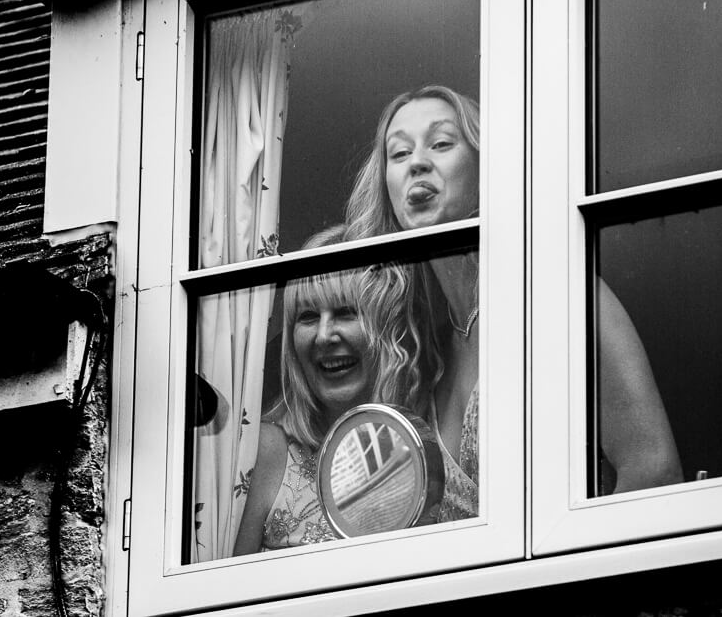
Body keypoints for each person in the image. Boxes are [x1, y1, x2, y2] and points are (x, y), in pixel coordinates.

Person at [344, 86, 682, 515]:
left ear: (487, 165)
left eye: (442, 143)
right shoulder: (417, 353)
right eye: (399, 154)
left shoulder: (550, 290)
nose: (418, 163)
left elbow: (653, 471)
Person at [233, 225, 427, 554]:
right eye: (308, 317)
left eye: (345, 312)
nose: (324, 336)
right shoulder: (266, 450)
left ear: (386, 325)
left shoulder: (428, 440)